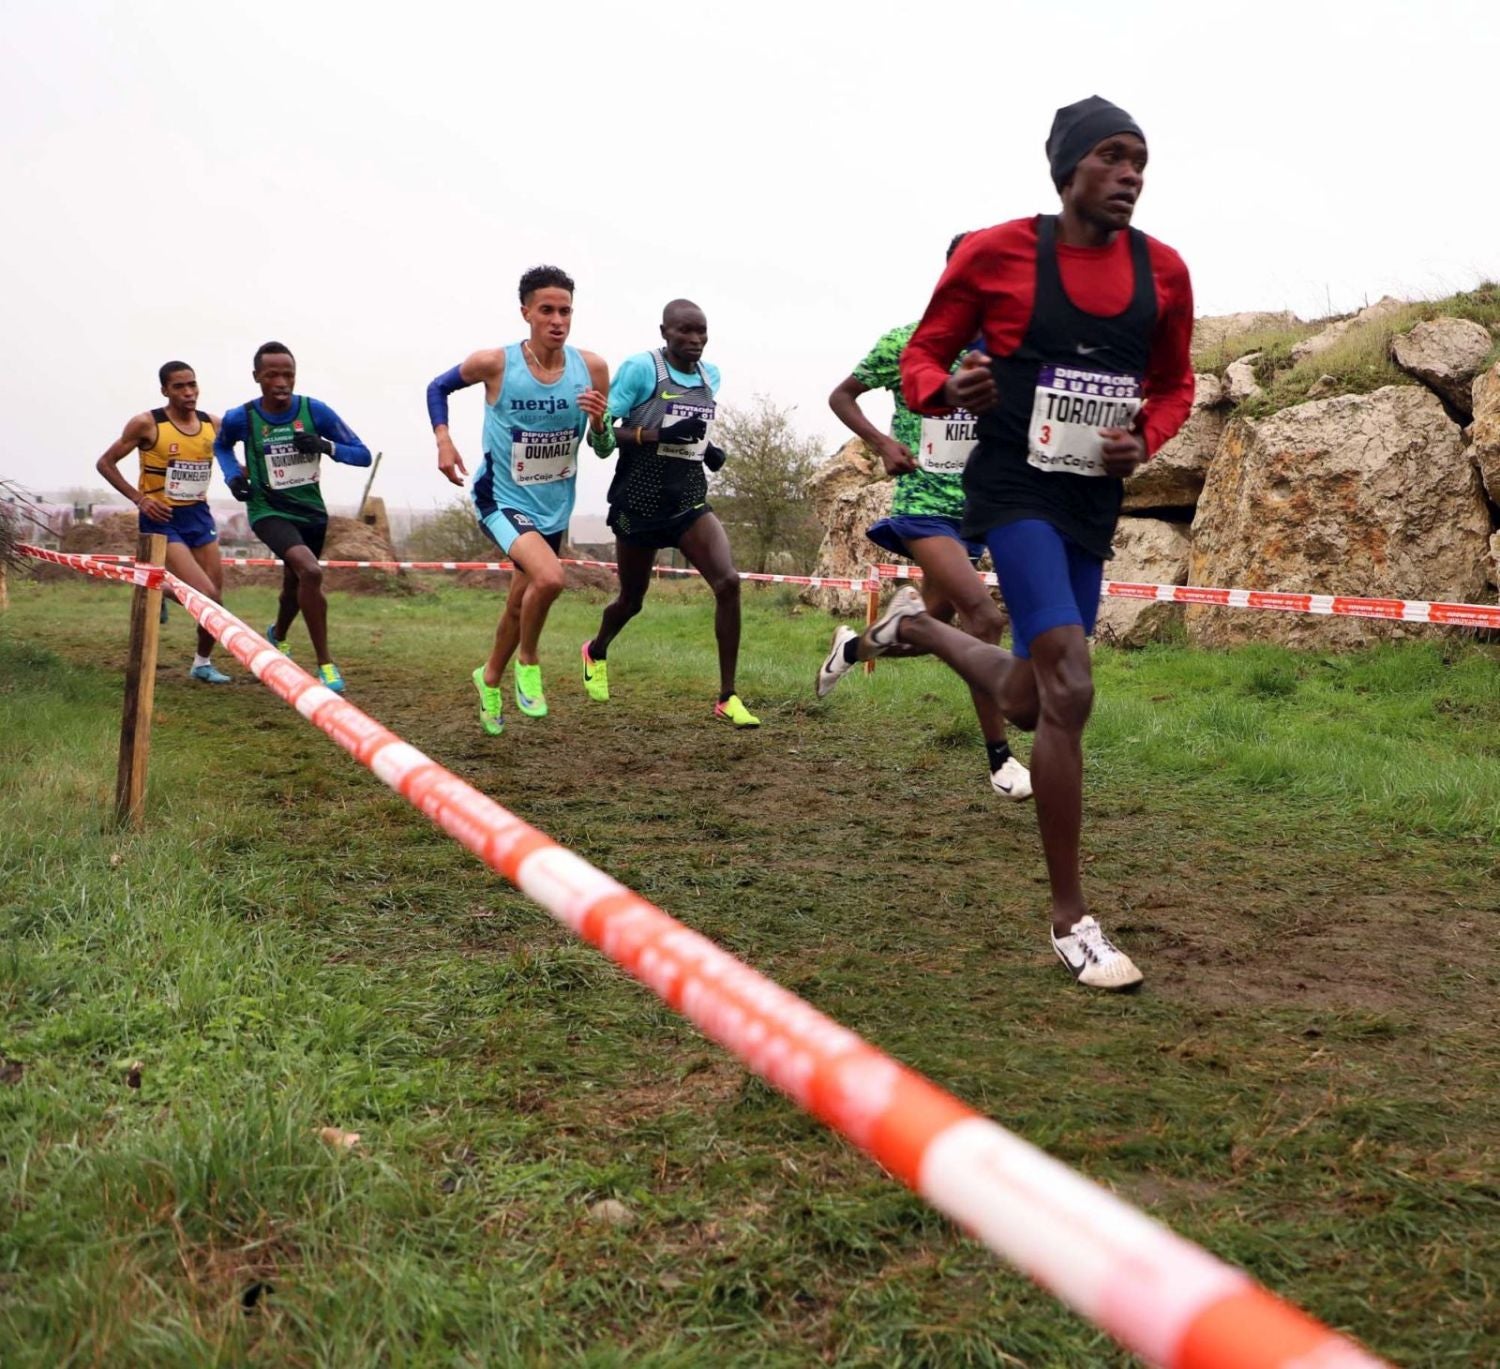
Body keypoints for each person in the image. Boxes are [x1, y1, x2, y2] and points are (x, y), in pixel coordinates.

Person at [864, 96, 1195, 990]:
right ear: (1068, 170)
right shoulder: (997, 253)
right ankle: (1071, 918)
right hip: (1012, 487)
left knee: (1030, 696)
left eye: (1141, 161)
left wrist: (1148, 438)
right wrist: (950, 390)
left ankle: (921, 631)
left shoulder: (1163, 271)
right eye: (1114, 158)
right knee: (1072, 685)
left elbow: (1173, 383)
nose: (1131, 174)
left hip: (1091, 497)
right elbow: (923, 358)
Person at [821, 236, 1029, 796]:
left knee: (925, 633)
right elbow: (841, 396)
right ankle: (1000, 762)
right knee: (984, 622)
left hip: (977, 514)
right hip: (923, 510)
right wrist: (882, 443)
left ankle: (854, 647)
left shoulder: (1012, 351)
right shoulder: (907, 343)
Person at [427, 265, 611, 735]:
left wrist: (602, 422)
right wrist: (444, 440)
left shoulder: (591, 369)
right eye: (546, 310)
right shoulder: (496, 363)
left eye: (565, 310)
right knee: (550, 579)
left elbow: (603, 445)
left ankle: (488, 678)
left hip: (553, 506)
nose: (557, 320)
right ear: (526, 312)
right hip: (501, 499)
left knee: (517, 604)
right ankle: (528, 662)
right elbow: (438, 387)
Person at [580, 300, 759, 728]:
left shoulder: (708, 376)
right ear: (664, 332)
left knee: (729, 583)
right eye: (685, 332)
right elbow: (601, 437)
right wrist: (658, 433)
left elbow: (695, 431)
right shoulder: (642, 370)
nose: (695, 340)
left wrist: (708, 450)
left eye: (702, 333)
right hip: (638, 502)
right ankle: (597, 649)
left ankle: (727, 697)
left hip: (687, 500)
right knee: (631, 601)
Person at [213, 342, 371, 694]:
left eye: (288, 375)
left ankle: (277, 635)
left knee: (295, 586)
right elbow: (221, 445)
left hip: (311, 513)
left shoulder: (315, 411)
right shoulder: (243, 417)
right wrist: (232, 475)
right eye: (272, 375)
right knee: (311, 571)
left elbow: (362, 455)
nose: (281, 382)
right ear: (257, 377)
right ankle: (326, 665)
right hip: (267, 510)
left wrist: (325, 446)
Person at [95, 361, 231, 683]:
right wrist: (140, 498)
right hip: (162, 518)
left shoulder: (213, 424)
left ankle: (202, 663)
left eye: (192, 385)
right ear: (165, 391)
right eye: (179, 387)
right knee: (206, 593)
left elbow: (235, 460)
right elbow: (105, 463)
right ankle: (157, 586)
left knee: (217, 599)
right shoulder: (146, 424)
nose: (188, 392)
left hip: (198, 515)